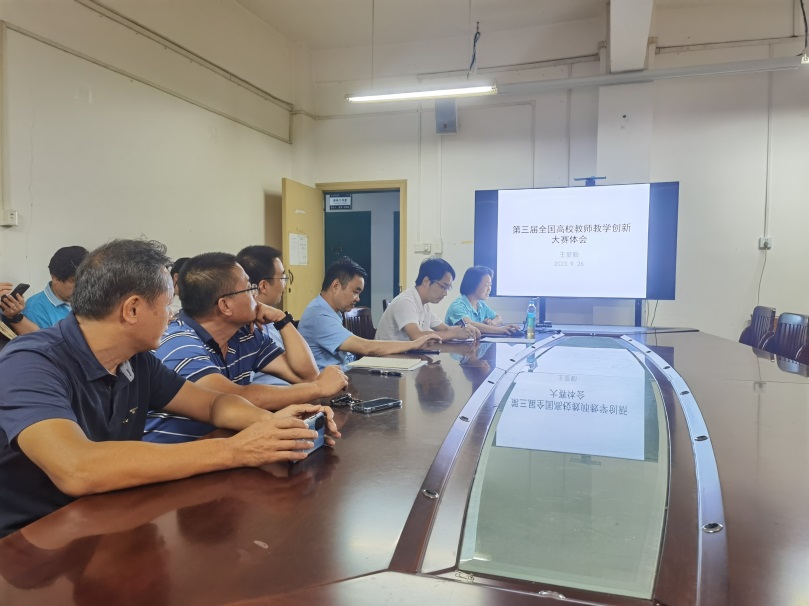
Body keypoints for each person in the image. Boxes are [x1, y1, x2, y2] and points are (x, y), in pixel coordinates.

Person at [0, 239, 331, 538]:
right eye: (167, 304)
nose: (172, 316)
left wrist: (273, 425)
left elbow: (213, 404)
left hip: (106, 516)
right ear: (132, 309)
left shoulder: (136, 360)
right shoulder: (30, 362)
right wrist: (235, 450)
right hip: (30, 542)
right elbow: (77, 468)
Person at [143, 252, 347, 443]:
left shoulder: (245, 334)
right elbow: (231, 397)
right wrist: (318, 388)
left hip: (228, 444)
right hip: (178, 454)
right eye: (249, 288)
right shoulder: (179, 343)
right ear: (225, 305)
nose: (255, 295)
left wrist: (282, 320)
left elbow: (307, 375)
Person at [297, 257, 437, 369]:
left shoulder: (331, 310)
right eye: (355, 292)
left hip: (346, 374)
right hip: (332, 386)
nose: (357, 299)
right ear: (335, 286)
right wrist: (413, 344)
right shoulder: (319, 316)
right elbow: (366, 347)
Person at [375, 257, 481, 342]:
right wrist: (454, 334)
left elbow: (446, 329)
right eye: (443, 287)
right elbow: (416, 336)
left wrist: (466, 329)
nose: (445, 293)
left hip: (406, 356)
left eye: (448, 288)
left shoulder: (424, 304)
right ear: (426, 281)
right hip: (388, 359)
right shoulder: (405, 301)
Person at [236, 245, 294, 385]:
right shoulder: (246, 328)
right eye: (282, 277)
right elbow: (303, 373)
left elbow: (306, 373)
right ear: (263, 286)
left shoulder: (271, 317)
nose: (285, 285)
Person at [23, 246, 88, 328]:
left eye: (86, 279)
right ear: (55, 278)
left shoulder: (90, 299)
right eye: (74, 281)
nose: (82, 285)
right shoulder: (35, 309)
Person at [445, 266, 521, 335]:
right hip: (456, 346)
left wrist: (492, 323)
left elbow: (498, 318)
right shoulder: (458, 306)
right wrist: (501, 330)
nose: (489, 289)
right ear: (473, 285)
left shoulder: (480, 304)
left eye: (490, 285)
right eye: (486, 285)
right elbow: (469, 325)